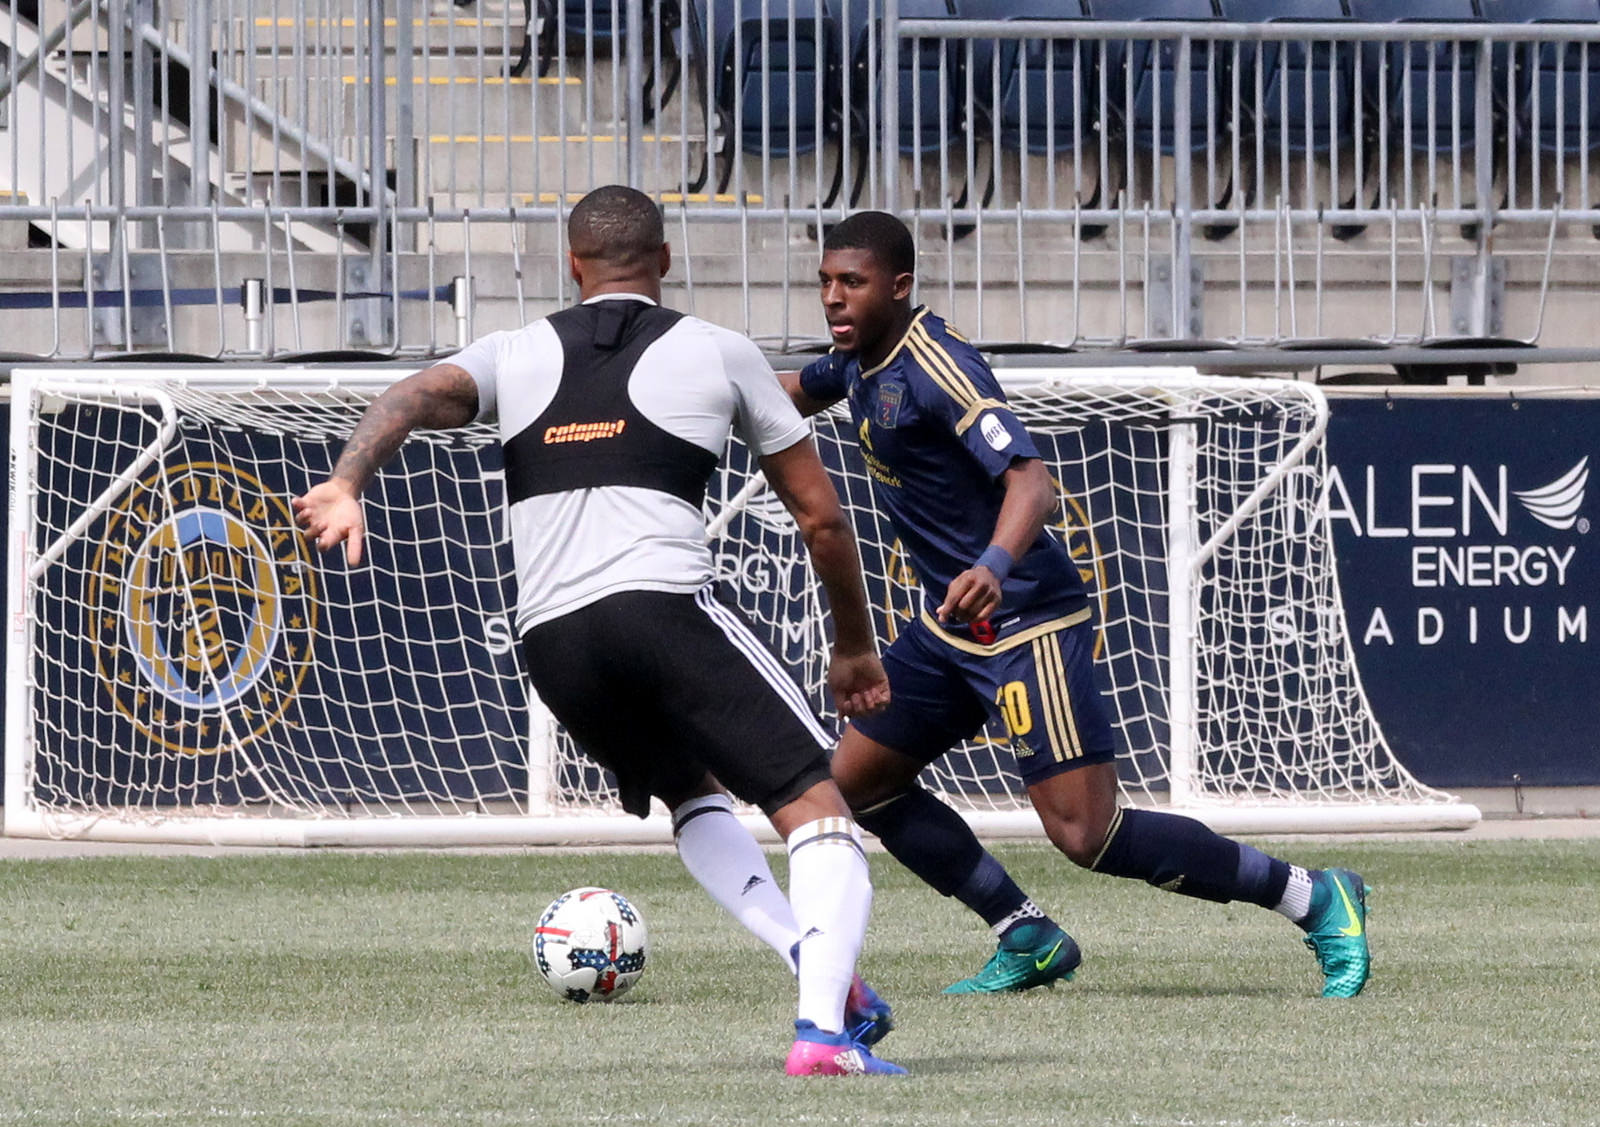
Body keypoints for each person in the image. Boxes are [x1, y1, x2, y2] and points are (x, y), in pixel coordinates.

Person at [294, 185, 904, 1074]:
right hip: (660, 611)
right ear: (666, 261)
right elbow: (821, 519)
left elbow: (414, 394)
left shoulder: (514, 351)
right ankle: (820, 1036)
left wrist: (348, 482)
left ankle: (814, 966)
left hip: (554, 645)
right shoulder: (717, 349)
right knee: (819, 810)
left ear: (571, 266)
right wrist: (852, 646)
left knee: (692, 792)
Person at [779, 210, 1371, 999]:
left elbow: (1033, 484)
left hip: (1024, 619)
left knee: (1088, 834)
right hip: (948, 628)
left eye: (851, 282)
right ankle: (1024, 932)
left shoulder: (940, 367)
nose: (832, 297)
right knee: (856, 784)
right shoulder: (858, 362)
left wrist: (994, 563)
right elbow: (787, 392)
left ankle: (1313, 896)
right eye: (825, 281)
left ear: (899, 286)